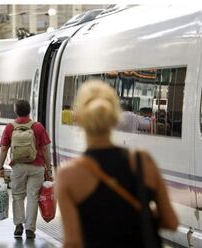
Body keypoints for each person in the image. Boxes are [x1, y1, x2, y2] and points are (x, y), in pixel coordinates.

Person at [55, 80, 178, 248]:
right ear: (115, 117)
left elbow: (73, 242)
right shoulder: (143, 161)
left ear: (78, 119)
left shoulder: (68, 176)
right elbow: (171, 222)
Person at [0, 99, 52, 239]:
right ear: (29, 110)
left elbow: (4, 148)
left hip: (18, 167)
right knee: (33, 197)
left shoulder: (10, 127)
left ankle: (18, 225)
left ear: (16, 111)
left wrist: (0, 167)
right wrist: (49, 169)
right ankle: (30, 229)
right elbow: (46, 150)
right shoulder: (38, 126)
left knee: (17, 196)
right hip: (37, 166)